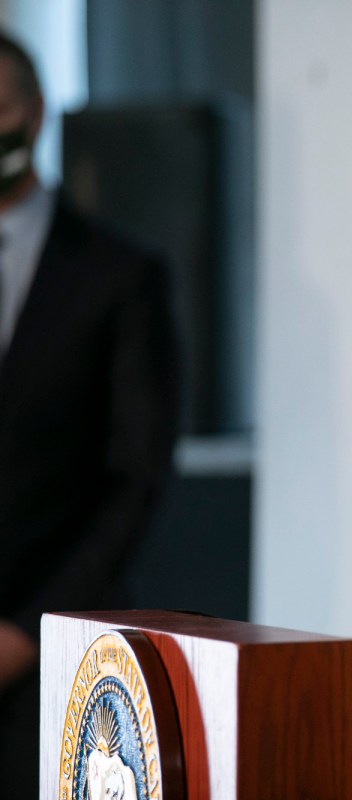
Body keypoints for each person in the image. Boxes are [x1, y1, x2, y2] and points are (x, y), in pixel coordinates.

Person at [0, 30, 179, 795]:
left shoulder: (120, 276)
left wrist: (24, 631)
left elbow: (133, 479)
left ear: (34, 115)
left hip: (55, 650)